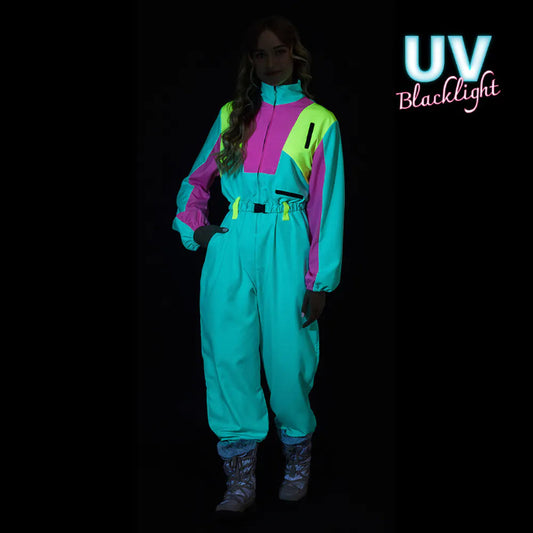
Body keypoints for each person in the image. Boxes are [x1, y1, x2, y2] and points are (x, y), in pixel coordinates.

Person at [172, 15, 345, 514]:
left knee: (288, 360)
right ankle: (240, 478)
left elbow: (327, 206)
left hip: (287, 241)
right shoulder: (232, 114)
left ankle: (296, 460)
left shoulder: (320, 121)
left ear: (295, 54)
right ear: (252, 61)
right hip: (233, 240)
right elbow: (197, 180)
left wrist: (320, 281)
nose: (270, 62)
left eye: (279, 52)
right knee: (229, 356)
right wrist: (197, 229)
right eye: (261, 54)